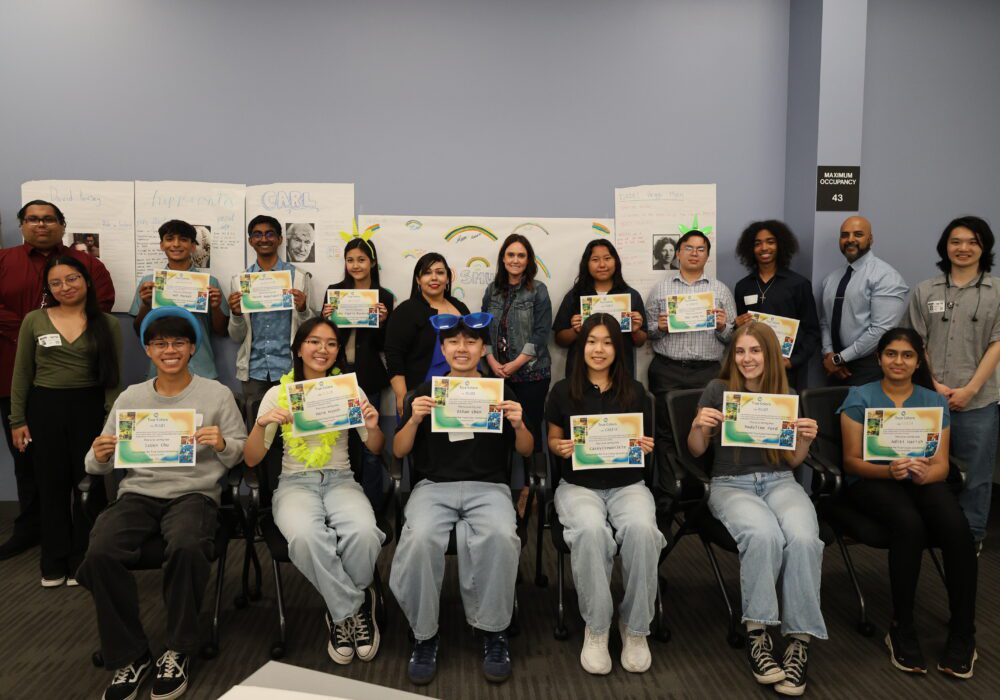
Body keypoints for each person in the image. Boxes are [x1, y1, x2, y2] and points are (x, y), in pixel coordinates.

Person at [77, 307, 247, 700]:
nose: (169, 350)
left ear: (192, 348)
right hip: (138, 494)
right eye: (159, 343)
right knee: (100, 551)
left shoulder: (216, 394)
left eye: (178, 343)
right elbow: (94, 464)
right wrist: (100, 453)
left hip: (194, 493)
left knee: (188, 545)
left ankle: (178, 648)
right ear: (148, 351)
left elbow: (238, 453)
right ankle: (130, 655)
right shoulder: (131, 397)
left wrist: (221, 443)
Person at [390, 312, 533, 685]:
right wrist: (413, 420)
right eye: (453, 342)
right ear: (443, 348)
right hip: (433, 487)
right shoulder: (424, 393)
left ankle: (494, 631)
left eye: (471, 342)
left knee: (502, 536)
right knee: (419, 539)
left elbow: (527, 450)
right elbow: (399, 451)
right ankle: (424, 635)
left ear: (482, 348)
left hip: (489, 488)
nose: (462, 348)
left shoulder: (500, 393)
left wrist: (518, 424)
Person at [688, 322, 825, 696]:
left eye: (756, 351)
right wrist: (701, 425)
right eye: (741, 351)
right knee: (763, 534)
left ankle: (799, 640)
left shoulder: (787, 394)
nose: (747, 359)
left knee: (803, 537)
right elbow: (697, 450)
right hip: (731, 483)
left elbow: (793, 460)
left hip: (780, 481)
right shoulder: (718, 390)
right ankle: (758, 633)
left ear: (770, 355)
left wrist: (804, 441)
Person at [244, 317, 386, 666]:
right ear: (298, 347)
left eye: (331, 343)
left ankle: (341, 611)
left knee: (365, 533)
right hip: (295, 484)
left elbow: (378, 449)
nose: (322, 349)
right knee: (306, 537)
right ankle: (351, 611)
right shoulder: (277, 394)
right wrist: (264, 424)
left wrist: (372, 425)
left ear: (338, 351)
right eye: (314, 341)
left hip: (341, 479)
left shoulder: (348, 390)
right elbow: (251, 459)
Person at [838, 327, 978, 679]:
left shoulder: (933, 402)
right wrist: (892, 472)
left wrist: (921, 473)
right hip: (873, 481)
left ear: (918, 362)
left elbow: (942, 466)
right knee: (909, 524)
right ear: (879, 358)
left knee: (957, 528)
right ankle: (902, 627)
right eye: (891, 354)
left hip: (921, 480)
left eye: (907, 355)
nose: (898, 361)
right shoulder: (860, 397)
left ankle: (964, 633)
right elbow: (852, 462)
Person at [545, 313, 662, 675]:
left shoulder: (636, 392)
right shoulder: (562, 392)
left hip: (628, 484)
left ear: (618, 347)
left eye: (608, 342)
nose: (599, 349)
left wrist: (645, 445)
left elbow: (644, 446)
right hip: (579, 486)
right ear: (582, 347)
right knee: (591, 531)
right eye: (592, 341)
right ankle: (597, 628)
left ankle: (635, 627)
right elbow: (551, 438)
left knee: (643, 531)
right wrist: (559, 447)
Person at [0, 200, 114, 561]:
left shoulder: (89, 264)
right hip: (20, 381)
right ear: (22, 226)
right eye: (32, 219)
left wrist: (51, 328)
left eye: (49, 219)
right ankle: (33, 530)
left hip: (84, 389)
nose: (41, 225)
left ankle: (91, 542)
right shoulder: (4, 262)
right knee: (31, 464)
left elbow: (102, 307)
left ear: (62, 225)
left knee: (90, 467)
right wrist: (34, 327)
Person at [9, 256, 121, 586]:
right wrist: (17, 420)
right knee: (50, 484)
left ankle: (85, 557)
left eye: (71, 279)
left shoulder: (107, 324)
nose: (64, 287)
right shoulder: (34, 320)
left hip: (89, 408)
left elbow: (113, 381)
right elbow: (21, 375)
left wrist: (111, 422)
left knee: (90, 483)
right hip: (44, 408)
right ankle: (54, 560)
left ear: (86, 281)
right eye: (56, 283)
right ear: (49, 289)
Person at [904, 216, 999, 550]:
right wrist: (935, 385)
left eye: (972, 241)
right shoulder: (925, 290)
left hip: (979, 401)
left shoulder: (997, 291)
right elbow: (916, 343)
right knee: (925, 466)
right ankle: (931, 529)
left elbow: (997, 345)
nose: (964, 248)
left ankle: (970, 537)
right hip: (930, 398)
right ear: (945, 246)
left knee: (975, 475)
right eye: (956, 241)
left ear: (984, 247)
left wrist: (970, 389)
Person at [645, 229, 736, 470]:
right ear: (678, 254)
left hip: (708, 374)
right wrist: (660, 327)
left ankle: (701, 495)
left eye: (701, 249)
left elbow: (731, 338)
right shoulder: (660, 290)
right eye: (689, 248)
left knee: (708, 429)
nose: (694, 253)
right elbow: (647, 332)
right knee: (666, 432)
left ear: (707, 256)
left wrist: (722, 325)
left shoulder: (721, 291)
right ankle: (667, 497)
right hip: (667, 370)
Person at [322, 237, 394, 509]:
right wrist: (327, 319)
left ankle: (372, 507)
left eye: (361, 260)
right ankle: (341, 506)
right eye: (350, 260)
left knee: (369, 445)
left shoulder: (384, 296)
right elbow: (324, 340)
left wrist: (384, 321)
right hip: (337, 375)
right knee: (340, 443)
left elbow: (384, 345)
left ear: (372, 262)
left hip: (368, 375)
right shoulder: (334, 291)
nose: (356, 265)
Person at [481, 233, 552, 474]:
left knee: (529, 431)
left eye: (521, 255)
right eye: (510, 255)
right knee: (498, 433)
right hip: (497, 374)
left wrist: (515, 364)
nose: (515, 260)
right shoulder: (492, 290)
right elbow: (483, 330)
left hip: (532, 375)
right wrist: (491, 362)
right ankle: (500, 486)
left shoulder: (538, 291)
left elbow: (542, 333)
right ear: (503, 259)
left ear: (528, 260)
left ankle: (531, 491)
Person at [228, 214, 313, 412]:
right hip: (254, 371)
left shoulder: (299, 278)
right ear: (250, 241)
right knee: (257, 427)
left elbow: (312, 331)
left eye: (269, 234)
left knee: (293, 428)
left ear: (280, 239)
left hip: (292, 368)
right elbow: (236, 336)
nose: (264, 239)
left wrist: (302, 310)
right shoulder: (240, 281)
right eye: (257, 235)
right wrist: (237, 314)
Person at [130, 219, 228, 379]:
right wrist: (146, 305)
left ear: (193, 246)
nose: (176, 244)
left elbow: (221, 331)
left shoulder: (209, 282)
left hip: (201, 368)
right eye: (169, 239)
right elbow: (138, 331)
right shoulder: (150, 282)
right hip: (161, 368)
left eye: (183, 239)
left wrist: (216, 308)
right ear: (162, 245)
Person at [820, 216, 908, 386]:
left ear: (870, 239)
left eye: (858, 234)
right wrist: (829, 354)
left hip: (869, 367)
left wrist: (840, 358)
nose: (850, 239)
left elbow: (881, 330)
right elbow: (825, 322)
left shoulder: (886, 277)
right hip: (833, 368)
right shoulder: (831, 279)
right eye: (845, 235)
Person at [733, 220, 821, 389]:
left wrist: (793, 362)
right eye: (758, 244)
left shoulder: (798, 284)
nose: (764, 248)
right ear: (750, 249)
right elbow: (741, 332)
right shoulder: (743, 286)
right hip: (751, 370)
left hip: (789, 371)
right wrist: (737, 325)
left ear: (781, 245)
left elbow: (812, 331)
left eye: (770, 242)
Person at [384, 253, 469, 416]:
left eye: (440, 272)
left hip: (461, 390)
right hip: (422, 393)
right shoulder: (407, 310)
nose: (434, 278)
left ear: (448, 277)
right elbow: (393, 354)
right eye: (427, 273)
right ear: (418, 279)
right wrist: (402, 396)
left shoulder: (460, 306)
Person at [553, 239, 647, 379]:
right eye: (595, 259)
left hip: (620, 372)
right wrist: (576, 331)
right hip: (581, 372)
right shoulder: (575, 295)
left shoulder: (631, 296)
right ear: (587, 264)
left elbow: (641, 341)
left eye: (607, 258)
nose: (602, 265)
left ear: (616, 261)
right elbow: (559, 339)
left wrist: (635, 331)